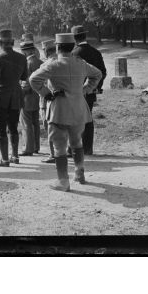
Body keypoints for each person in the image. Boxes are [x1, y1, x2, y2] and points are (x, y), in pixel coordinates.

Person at [30, 33, 102, 191]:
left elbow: (33, 79)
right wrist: (85, 89)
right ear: (73, 46)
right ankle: (79, 172)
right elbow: (97, 74)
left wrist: (47, 94)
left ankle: (63, 181)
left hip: (59, 110)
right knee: (77, 142)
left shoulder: (52, 64)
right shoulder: (81, 63)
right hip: (78, 108)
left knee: (59, 147)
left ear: (57, 46)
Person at [0, 29, 28, 166]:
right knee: (13, 127)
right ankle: (15, 156)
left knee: (1, 129)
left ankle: (5, 159)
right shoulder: (22, 58)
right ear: (13, 42)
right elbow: (24, 77)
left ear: (0, 42)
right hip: (16, 96)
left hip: (1, 97)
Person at [71, 25, 107, 155]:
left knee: (75, 119)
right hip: (91, 92)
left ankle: (77, 148)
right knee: (88, 119)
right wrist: (96, 87)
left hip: (75, 92)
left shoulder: (73, 53)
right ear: (85, 36)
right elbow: (102, 72)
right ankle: (88, 148)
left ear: (74, 38)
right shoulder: (96, 52)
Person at [19, 39, 43, 156]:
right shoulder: (40, 62)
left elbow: (25, 83)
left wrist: (20, 94)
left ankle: (28, 148)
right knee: (35, 123)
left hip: (27, 97)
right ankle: (36, 147)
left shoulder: (26, 63)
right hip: (38, 96)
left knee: (26, 123)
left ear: (25, 52)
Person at [39, 39, 57, 163]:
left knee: (48, 126)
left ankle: (52, 154)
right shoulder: (62, 61)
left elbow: (38, 82)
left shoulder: (46, 64)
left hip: (47, 100)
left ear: (45, 51)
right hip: (61, 99)